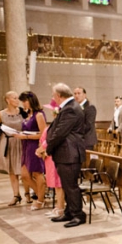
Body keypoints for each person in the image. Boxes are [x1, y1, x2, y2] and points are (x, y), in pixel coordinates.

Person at [46, 83, 88, 228]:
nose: (53, 98)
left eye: (53, 95)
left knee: (71, 186)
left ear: (58, 95)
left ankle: (78, 214)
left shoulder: (70, 108)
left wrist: (48, 148)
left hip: (69, 154)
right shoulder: (69, 107)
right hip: (65, 153)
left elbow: (60, 132)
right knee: (67, 184)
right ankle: (70, 212)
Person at [0, 91, 25, 205]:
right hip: (8, 141)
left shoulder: (22, 112)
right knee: (12, 171)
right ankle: (16, 195)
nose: (17, 100)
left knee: (23, 170)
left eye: (17, 98)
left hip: (20, 141)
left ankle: (28, 194)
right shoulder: (1, 114)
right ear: (8, 100)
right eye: (14, 98)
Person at [16, 91, 47, 210]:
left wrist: (26, 136)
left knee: (37, 173)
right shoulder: (28, 114)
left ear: (31, 101)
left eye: (25, 101)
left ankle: (40, 200)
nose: (23, 104)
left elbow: (43, 134)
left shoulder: (39, 115)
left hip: (34, 146)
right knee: (24, 175)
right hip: (26, 146)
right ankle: (41, 195)